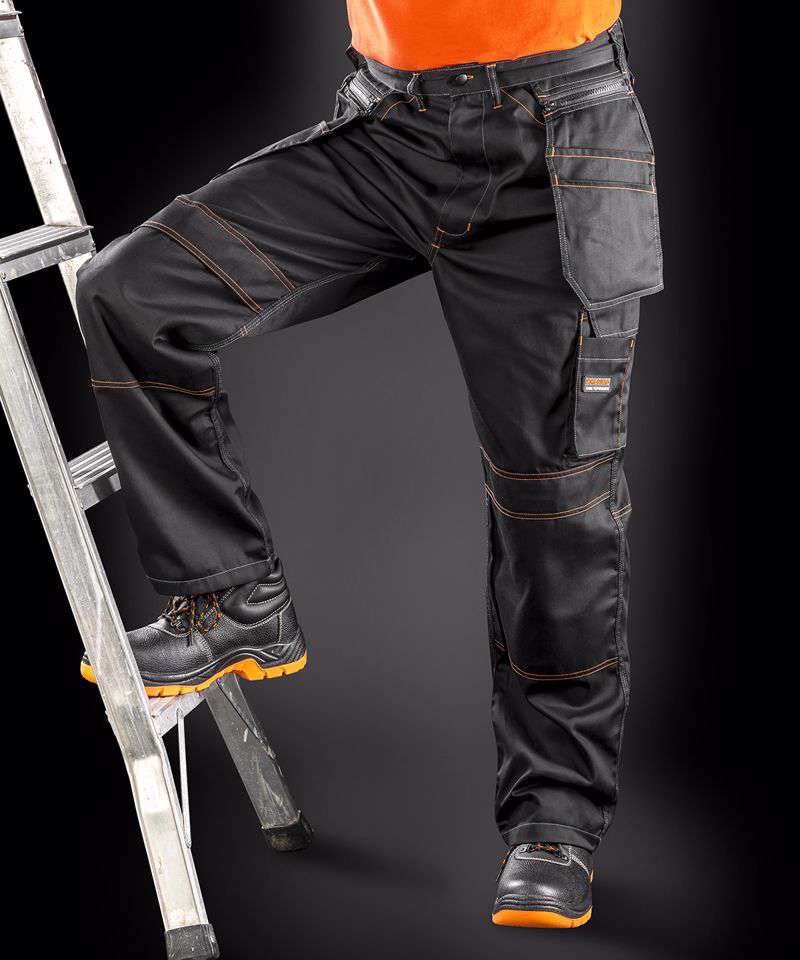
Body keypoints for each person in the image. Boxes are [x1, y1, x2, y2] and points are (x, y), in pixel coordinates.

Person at [76, 0, 662, 929]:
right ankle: (236, 601)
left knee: (556, 501)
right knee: (135, 294)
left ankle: (554, 825)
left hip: (554, 137)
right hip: (389, 126)